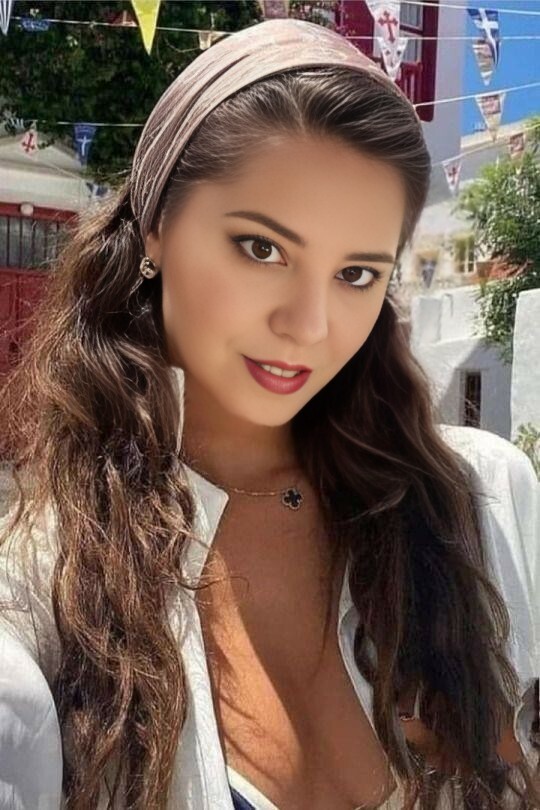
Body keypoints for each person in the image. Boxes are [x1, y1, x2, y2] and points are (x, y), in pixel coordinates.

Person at [0, 15, 539, 810]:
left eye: (357, 274)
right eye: (262, 248)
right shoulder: (45, 589)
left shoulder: (476, 505)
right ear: (156, 228)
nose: (310, 326)